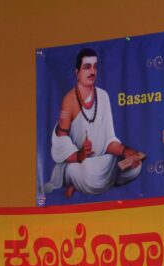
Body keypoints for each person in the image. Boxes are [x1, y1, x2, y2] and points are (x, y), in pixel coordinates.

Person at [42, 48, 144, 198]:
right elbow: (60, 141)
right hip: (78, 163)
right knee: (87, 169)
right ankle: (80, 181)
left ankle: (83, 184)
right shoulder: (69, 100)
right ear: (77, 73)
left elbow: (110, 141)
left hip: (102, 162)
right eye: (87, 67)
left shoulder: (103, 96)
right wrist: (80, 154)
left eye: (95, 66)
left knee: (135, 166)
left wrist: (126, 151)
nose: (92, 71)